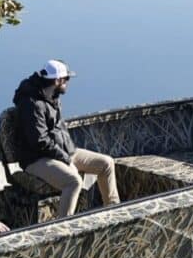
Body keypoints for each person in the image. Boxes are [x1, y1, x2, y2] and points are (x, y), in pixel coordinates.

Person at [10, 59, 118, 217]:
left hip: (62, 152)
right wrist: (66, 159)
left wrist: (68, 154)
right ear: (57, 80)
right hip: (37, 159)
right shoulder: (32, 104)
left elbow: (58, 131)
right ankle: (63, 228)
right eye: (66, 79)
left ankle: (114, 211)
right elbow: (40, 141)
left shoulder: (52, 96)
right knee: (73, 181)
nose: (68, 83)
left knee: (106, 163)